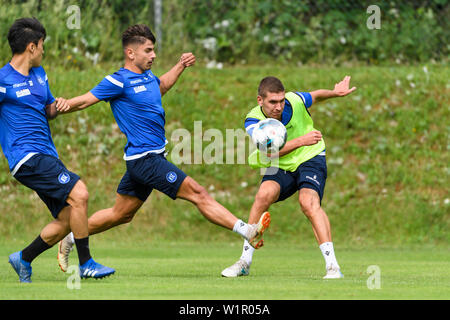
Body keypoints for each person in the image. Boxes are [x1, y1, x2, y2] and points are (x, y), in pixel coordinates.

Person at [55, 24, 270, 272]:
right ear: (131, 53)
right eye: (148, 50)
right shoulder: (117, 80)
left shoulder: (147, 77)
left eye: (153, 50)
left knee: (120, 214)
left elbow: (160, 88)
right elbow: (84, 101)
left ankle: (70, 237)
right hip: (145, 159)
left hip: (145, 158)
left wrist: (180, 66)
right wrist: (61, 105)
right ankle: (247, 230)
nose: (153, 55)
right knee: (197, 192)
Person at [0, 17, 115, 283]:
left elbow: (48, 109)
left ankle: (24, 258)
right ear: (31, 46)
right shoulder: (3, 80)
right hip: (26, 156)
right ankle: (86, 263)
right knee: (80, 193)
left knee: (68, 217)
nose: (43, 51)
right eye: (42, 45)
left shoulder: (40, 75)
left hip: (46, 155)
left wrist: (61, 105)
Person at [221, 76, 356, 279]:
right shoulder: (253, 121)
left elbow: (316, 96)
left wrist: (334, 93)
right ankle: (244, 262)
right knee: (263, 196)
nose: (278, 106)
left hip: (310, 157)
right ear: (260, 100)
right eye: (272, 102)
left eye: (281, 100)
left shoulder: (295, 100)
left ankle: (333, 266)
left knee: (308, 203)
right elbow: (270, 152)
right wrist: (302, 140)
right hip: (281, 162)